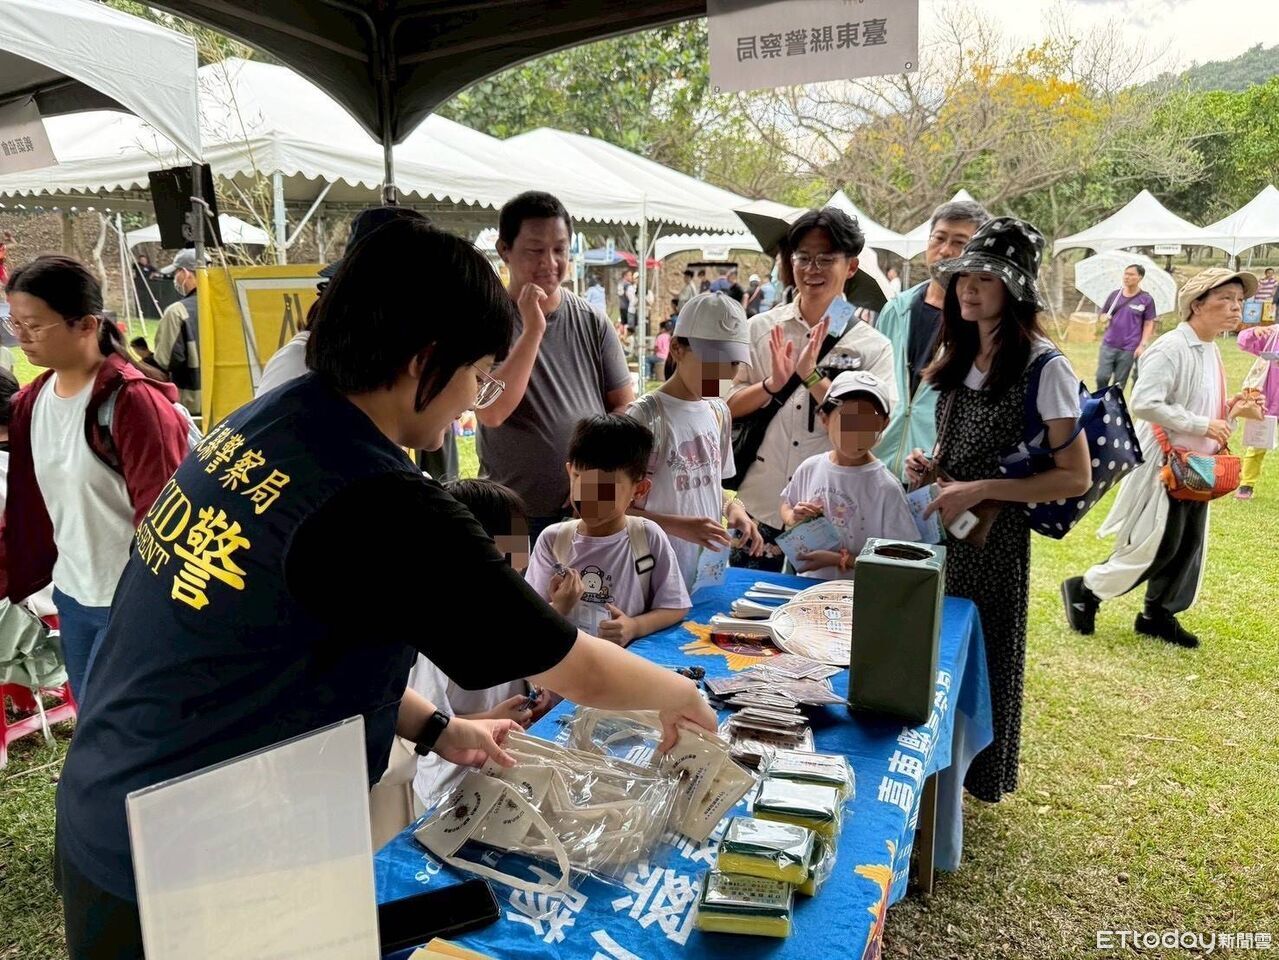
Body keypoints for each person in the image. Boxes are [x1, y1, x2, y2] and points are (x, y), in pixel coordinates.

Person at [53, 219, 716, 958]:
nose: (474, 399)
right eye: (479, 374)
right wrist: (681, 695)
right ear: (423, 360)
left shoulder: (271, 423)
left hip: (117, 810)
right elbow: (570, 663)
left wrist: (442, 729)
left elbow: (299, 643)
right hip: (190, 869)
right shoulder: (377, 496)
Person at [905, 217, 1091, 803]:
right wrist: (935, 468)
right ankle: (931, 770)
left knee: (983, 655)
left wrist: (980, 489)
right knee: (933, 652)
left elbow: (1073, 476)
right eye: (965, 275)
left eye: (987, 277)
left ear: (1016, 290)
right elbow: (962, 447)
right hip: (945, 528)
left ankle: (975, 777)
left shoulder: (1044, 365)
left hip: (996, 540)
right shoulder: (959, 350)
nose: (970, 287)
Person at [0, 255, 191, 703]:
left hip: (132, 605)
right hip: (73, 596)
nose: (20, 337)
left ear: (85, 324)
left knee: (135, 730)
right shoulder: (32, 402)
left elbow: (167, 521)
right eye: (15, 322)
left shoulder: (132, 404)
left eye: (35, 325)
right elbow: (34, 507)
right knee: (94, 722)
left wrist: (157, 611)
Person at [1062, 269, 1257, 648]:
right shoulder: (1171, 347)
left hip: (1199, 466)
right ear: (1197, 305)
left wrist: (1231, 409)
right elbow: (1145, 402)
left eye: (1239, 301)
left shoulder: (1211, 347)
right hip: (1166, 463)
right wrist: (1202, 424)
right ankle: (1086, 589)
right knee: (1157, 542)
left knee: (1188, 543)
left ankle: (1158, 613)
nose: (1236, 308)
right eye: (1226, 299)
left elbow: (1203, 405)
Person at [727, 207, 897, 570]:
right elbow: (724, 405)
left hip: (830, 519)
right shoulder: (761, 329)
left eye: (825, 259)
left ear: (851, 267)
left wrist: (813, 378)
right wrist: (772, 385)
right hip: (759, 506)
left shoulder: (873, 346)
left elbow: (875, 431)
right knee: (747, 618)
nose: (811, 269)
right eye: (803, 257)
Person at [477, 192, 634, 542]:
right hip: (512, 513)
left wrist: (593, 474)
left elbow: (624, 405)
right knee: (516, 595)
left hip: (584, 512)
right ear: (505, 250)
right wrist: (533, 330)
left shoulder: (592, 320)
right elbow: (490, 411)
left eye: (560, 249)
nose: (550, 262)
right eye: (535, 250)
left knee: (581, 594)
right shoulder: (487, 322)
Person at [409, 479, 552, 808]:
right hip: (449, 792)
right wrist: (491, 716)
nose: (525, 553)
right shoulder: (431, 636)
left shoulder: (510, 607)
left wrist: (537, 692)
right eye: (515, 544)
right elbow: (423, 726)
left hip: (504, 773)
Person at [628, 293, 762, 587]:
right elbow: (607, 509)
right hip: (652, 575)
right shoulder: (644, 417)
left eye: (733, 362)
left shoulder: (719, 412)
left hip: (705, 574)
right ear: (677, 348)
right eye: (712, 360)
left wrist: (734, 510)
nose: (724, 374)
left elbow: (716, 485)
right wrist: (678, 527)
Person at [527, 414, 691, 642]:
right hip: (567, 667)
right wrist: (559, 608)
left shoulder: (647, 537)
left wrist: (635, 626)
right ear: (569, 472)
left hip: (621, 667)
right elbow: (528, 620)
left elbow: (675, 606)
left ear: (639, 489)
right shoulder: (552, 540)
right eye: (579, 479)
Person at [872, 199, 989, 482]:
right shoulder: (896, 309)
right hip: (877, 463)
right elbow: (873, 381)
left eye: (960, 242)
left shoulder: (980, 323)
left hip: (934, 472)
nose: (946, 250)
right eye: (939, 238)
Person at [780, 371, 917, 579]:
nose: (857, 432)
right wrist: (792, 516)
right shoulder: (810, 467)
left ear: (884, 424)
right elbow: (786, 504)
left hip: (860, 598)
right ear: (824, 418)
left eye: (869, 423)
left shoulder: (886, 487)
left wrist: (840, 560)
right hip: (808, 592)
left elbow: (901, 557)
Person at [153, 247, 205, 416]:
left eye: (176, 273)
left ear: (185, 273)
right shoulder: (229, 306)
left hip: (192, 406)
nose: (175, 278)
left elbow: (164, 361)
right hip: (229, 403)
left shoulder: (177, 312)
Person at [1096, 264, 1158, 393]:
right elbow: (1102, 315)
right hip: (1109, 343)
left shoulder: (1146, 299)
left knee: (1119, 382)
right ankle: (1099, 404)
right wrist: (1104, 318)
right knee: (1102, 377)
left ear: (1140, 277)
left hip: (1129, 347)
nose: (1127, 277)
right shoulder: (1115, 295)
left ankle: (1113, 409)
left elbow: (1148, 323)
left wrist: (1142, 345)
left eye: (1131, 274)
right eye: (1126, 274)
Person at [1235, 321, 1279, 500]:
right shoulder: (1273, 333)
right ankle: (1246, 484)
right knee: (1257, 443)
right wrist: (1255, 332)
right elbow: (1243, 342)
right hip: (1266, 400)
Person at [646, 313, 674, 380]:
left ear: (663, 329)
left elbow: (656, 348)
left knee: (646, 359)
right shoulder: (671, 337)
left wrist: (649, 350)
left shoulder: (660, 336)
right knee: (652, 359)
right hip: (667, 356)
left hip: (660, 356)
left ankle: (647, 375)